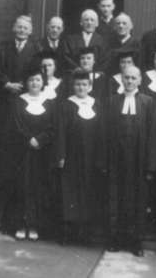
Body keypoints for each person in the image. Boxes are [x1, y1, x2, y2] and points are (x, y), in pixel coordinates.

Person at [0, 15, 40, 203]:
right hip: (4, 101)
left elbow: (35, 73)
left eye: (26, 27)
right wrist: (7, 84)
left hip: (24, 99)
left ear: (30, 31)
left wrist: (22, 86)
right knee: (2, 144)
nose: (22, 30)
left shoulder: (36, 49)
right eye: (19, 26)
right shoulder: (1, 48)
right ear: (14, 28)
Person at [108, 66, 156, 257]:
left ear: (139, 80)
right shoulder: (113, 101)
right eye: (126, 78)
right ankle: (116, 239)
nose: (129, 81)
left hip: (139, 161)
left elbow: (154, 135)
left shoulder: (148, 102)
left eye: (133, 78)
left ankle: (135, 241)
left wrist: (151, 165)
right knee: (116, 199)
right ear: (121, 79)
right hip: (117, 160)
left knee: (137, 201)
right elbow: (105, 132)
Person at [1, 70, 56, 241]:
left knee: (39, 188)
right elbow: (15, 125)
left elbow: (52, 127)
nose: (34, 83)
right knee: (22, 187)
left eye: (38, 80)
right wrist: (29, 139)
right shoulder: (18, 102)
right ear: (26, 82)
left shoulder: (50, 103)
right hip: (22, 153)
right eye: (31, 80)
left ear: (43, 82)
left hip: (42, 153)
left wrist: (40, 140)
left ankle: (34, 226)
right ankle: (20, 224)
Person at [57, 72, 106, 244]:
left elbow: (102, 133)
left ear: (90, 86)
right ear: (73, 86)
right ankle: (69, 232)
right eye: (78, 84)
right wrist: (61, 154)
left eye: (84, 85)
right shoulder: (66, 105)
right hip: (72, 156)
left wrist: (101, 157)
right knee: (71, 193)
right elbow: (61, 131)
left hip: (92, 157)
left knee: (89, 191)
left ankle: (86, 233)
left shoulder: (97, 104)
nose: (81, 88)